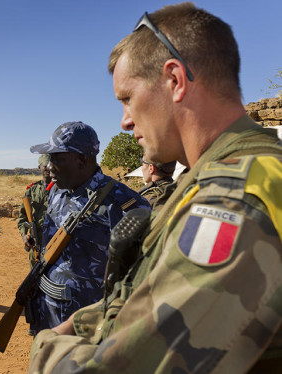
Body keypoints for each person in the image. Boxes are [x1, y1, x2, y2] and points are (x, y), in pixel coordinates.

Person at [29, 3, 282, 373]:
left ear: (175, 80)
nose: (125, 122)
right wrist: (87, 322)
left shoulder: (234, 197)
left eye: (127, 98)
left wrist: (45, 347)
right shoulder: (218, 175)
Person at [27, 121, 150, 335]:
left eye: (57, 158)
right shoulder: (57, 190)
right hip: (46, 311)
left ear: (82, 160)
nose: (48, 166)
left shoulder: (125, 205)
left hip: (87, 326)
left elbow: (142, 280)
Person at [16, 154, 53, 269]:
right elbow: (22, 217)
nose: (48, 168)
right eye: (45, 166)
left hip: (53, 239)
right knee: (34, 274)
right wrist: (24, 236)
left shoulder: (61, 189)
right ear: (39, 167)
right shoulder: (32, 190)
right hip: (35, 240)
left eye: (50, 165)